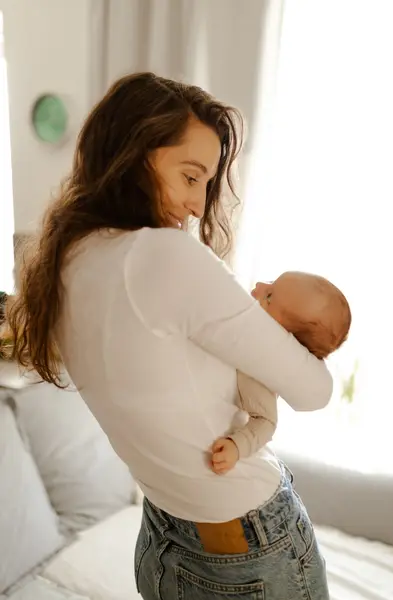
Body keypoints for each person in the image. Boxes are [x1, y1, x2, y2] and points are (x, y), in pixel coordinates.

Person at [4, 72, 333, 599]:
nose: (199, 206)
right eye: (190, 176)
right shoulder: (166, 257)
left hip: (163, 539)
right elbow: (314, 392)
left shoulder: (62, 263)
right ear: (135, 155)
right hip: (248, 548)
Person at [211, 271, 351, 474]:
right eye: (270, 282)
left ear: (285, 338)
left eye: (269, 296)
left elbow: (266, 422)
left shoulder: (258, 367)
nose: (259, 285)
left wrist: (237, 446)